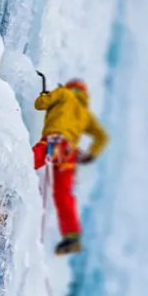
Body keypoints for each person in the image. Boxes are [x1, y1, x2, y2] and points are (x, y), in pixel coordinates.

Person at [33, 79, 109, 255]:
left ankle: (5, 178)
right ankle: (72, 236)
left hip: (54, 142)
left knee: (29, 161)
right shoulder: (85, 113)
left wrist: (44, 95)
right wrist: (91, 154)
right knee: (63, 194)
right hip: (68, 153)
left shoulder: (63, 93)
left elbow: (40, 104)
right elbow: (102, 136)